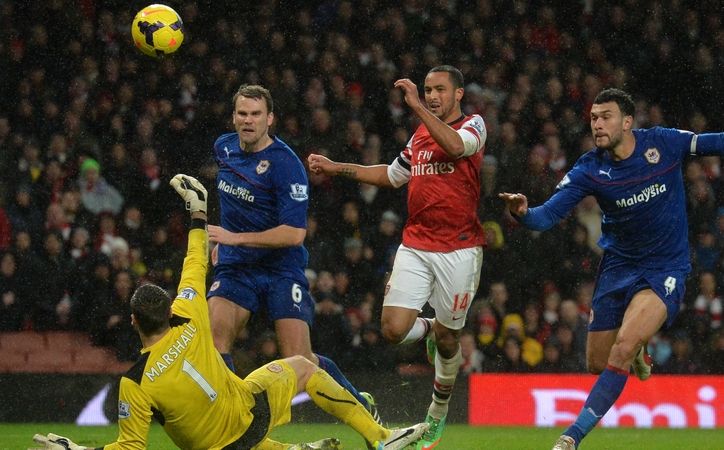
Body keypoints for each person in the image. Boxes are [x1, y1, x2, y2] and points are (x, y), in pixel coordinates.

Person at [29, 174, 429, 450]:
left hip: (215, 447)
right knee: (303, 367)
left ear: (133, 322)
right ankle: (380, 438)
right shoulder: (188, 313)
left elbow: (130, 446)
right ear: (168, 310)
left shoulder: (134, 383)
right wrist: (199, 211)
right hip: (248, 416)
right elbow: (194, 260)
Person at [500, 74, 724, 450]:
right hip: (618, 268)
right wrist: (523, 213)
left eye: (606, 116)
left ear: (627, 122)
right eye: (594, 117)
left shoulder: (663, 142)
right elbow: (547, 216)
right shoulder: (589, 169)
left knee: (622, 347)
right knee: (598, 363)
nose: (597, 123)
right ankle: (638, 351)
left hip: (665, 269)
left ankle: (570, 438)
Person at [309, 64, 488, 450]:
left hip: (460, 249)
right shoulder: (420, 135)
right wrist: (334, 167)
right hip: (417, 245)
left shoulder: (474, 125)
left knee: (450, 339)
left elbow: (456, 148)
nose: (432, 96)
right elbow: (391, 175)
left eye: (440, 89)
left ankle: (437, 413)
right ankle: (427, 328)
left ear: (459, 94)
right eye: (426, 90)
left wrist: (416, 107)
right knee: (391, 330)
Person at [203, 84, 380, 430]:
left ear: (270, 119)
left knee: (300, 361)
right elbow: (235, 201)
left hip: (280, 269)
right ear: (233, 117)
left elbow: (294, 234)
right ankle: (232, 424)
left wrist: (233, 237)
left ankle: (359, 405)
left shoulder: (286, 166)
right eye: (242, 114)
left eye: (256, 114)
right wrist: (226, 243)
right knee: (214, 338)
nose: (248, 121)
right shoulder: (223, 147)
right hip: (237, 267)